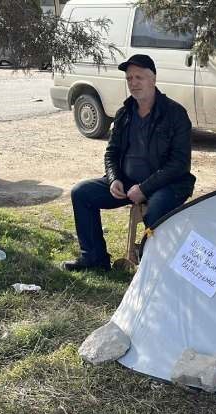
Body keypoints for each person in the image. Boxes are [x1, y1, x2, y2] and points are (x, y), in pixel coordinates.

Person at [62, 54, 195, 271]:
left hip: (167, 184)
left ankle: (154, 266)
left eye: (139, 77)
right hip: (127, 181)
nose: (133, 83)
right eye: (129, 78)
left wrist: (144, 188)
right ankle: (94, 258)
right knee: (81, 192)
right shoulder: (124, 114)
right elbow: (111, 153)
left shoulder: (175, 114)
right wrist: (114, 178)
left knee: (156, 210)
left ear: (153, 79)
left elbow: (179, 164)